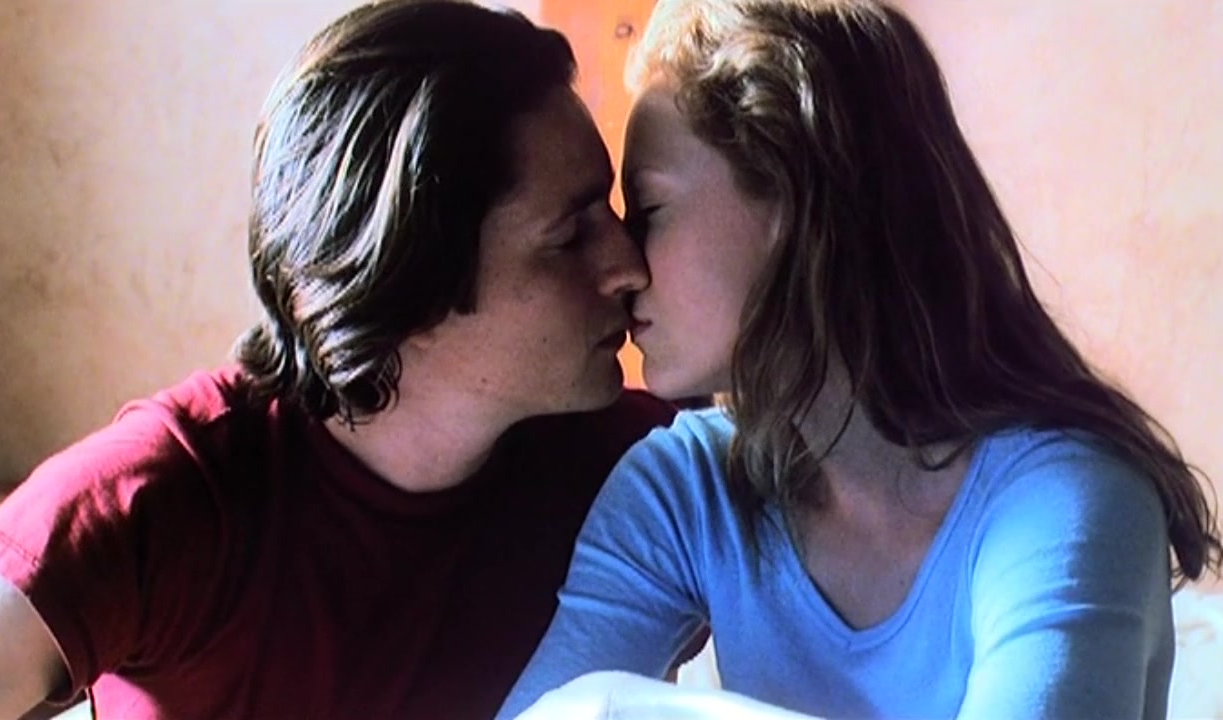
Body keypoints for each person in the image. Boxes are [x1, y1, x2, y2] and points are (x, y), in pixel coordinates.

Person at [0, 1, 675, 718]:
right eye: (569, 236)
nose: (627, 264)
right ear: (409, 282)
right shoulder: (166, 497)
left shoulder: (636, 473)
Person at [498, 0, 1223, 718]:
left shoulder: (1068, 494)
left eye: (650, 210)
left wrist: (616, 706)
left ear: (793, 195)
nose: (625, 265)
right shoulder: (686, 490)